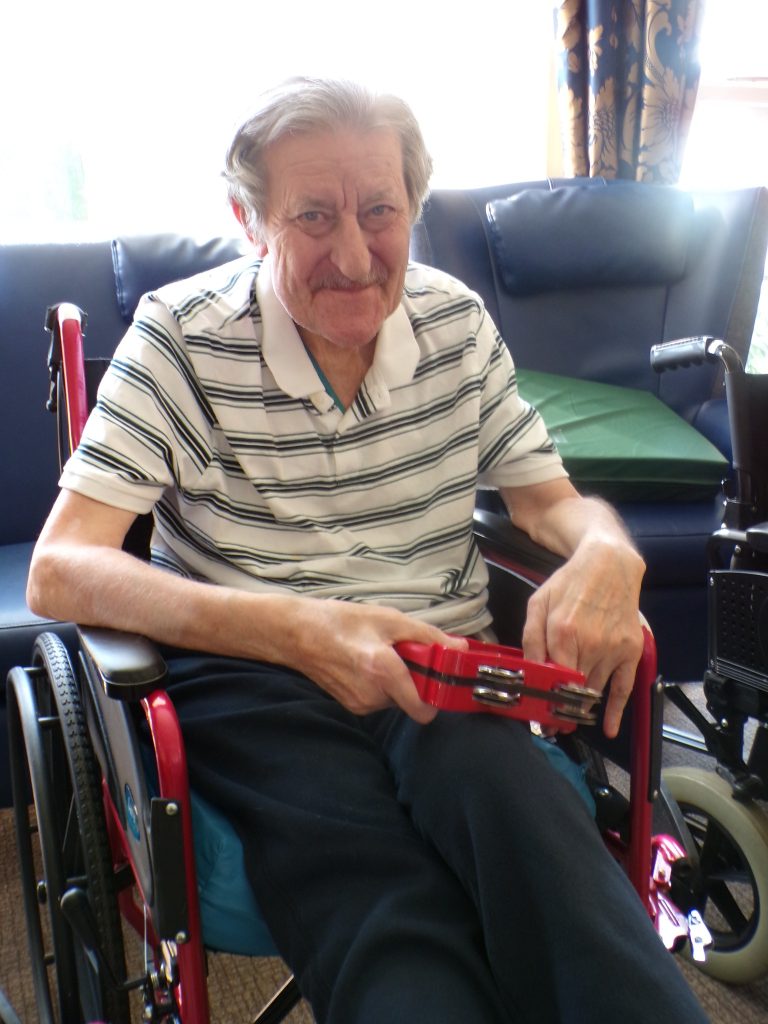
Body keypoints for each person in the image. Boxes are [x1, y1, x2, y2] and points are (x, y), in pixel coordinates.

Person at [27, 77, 709, 1024]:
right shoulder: (179, 336)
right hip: (257, 676)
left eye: (380, 209)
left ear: (414, 207)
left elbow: (551, 503)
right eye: (312, 215)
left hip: (444, 661)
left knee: (536, 839)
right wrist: (302, 630)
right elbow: (60, 568)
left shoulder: (456, 322)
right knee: (380, 908)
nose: (353, 254)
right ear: (250, 219)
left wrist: (607, 553)